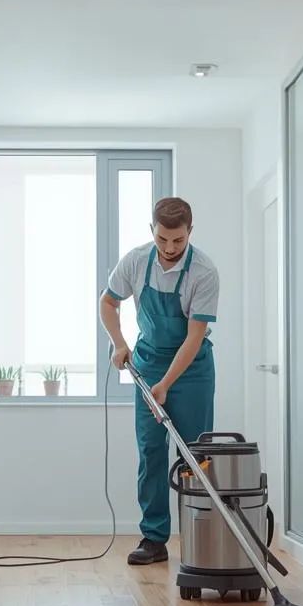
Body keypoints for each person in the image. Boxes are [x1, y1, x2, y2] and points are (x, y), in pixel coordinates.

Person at [100, 197, 219, 566]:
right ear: (152, 230)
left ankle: (200, 537)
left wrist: (167, 384)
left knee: (196, 457)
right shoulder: (136, 261)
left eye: (178, 241)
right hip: (149, 364)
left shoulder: (204, 272)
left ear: (190, 234)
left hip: (192, 370)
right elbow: (108, 302)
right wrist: (119, 343)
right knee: (151, 452)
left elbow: (194, 336)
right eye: (163, 239)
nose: (169, 249)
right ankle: (154, 538)